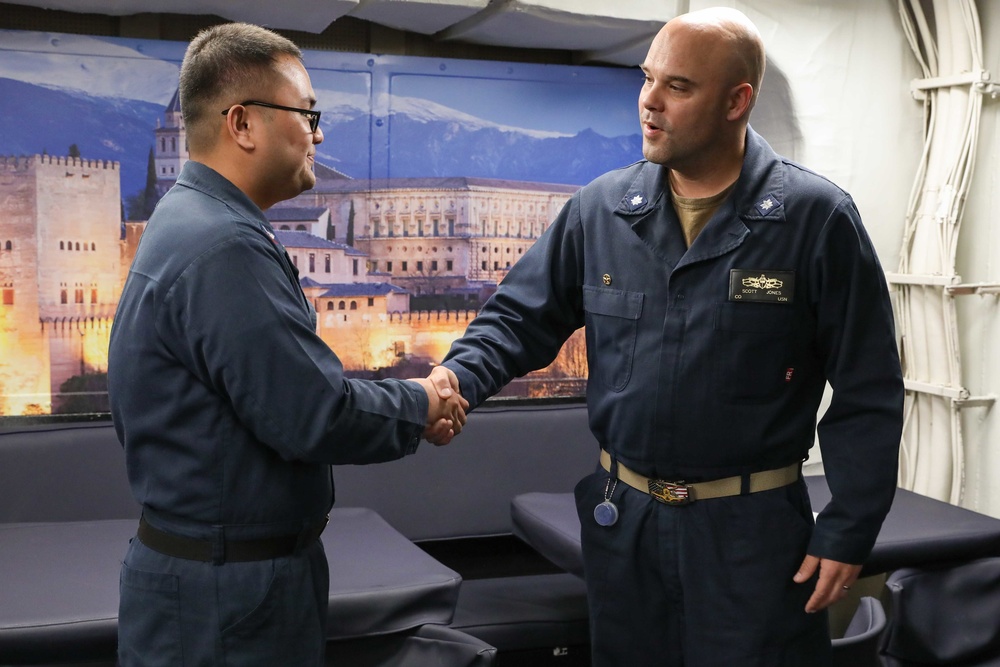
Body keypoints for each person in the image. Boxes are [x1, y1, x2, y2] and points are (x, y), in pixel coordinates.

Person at [430, 7, 903, 666]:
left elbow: (868, 386)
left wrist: (851, 526)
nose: (650, 101)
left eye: (678, 86)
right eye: (648, 79)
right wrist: (454, 381)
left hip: (751, 533)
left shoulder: (814, 220)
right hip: (625, 525)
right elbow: (517, 319)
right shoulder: (602, 210)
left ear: (738, 101)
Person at [107, 22, 467, 666]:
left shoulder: (191, 219)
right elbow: (313, 413)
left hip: (213, 584)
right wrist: (421, 401)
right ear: (242, 124)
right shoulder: (224, 247)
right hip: (230, 601)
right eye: (307, 113)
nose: (319, 134)